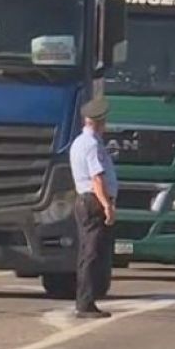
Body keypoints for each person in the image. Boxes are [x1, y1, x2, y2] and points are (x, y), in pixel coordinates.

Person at [69, 97, 117, 318]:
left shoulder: (79, 142)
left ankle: (87, 299)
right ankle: (86, 302)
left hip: (85, 199)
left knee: (89, 252)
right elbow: (97, 178)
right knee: (92, 253)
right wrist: (107, 205)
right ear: (100, 122)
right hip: (93, 201)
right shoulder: (91, 145)